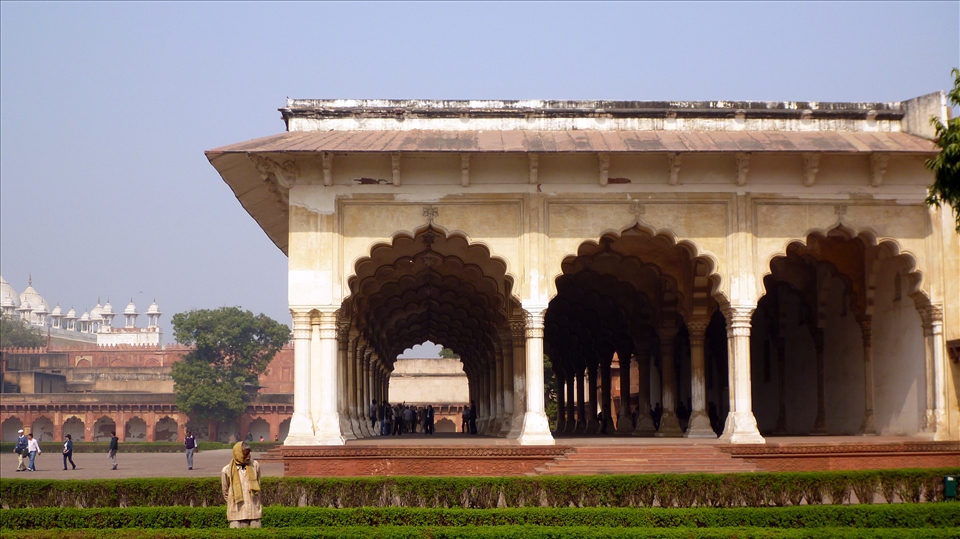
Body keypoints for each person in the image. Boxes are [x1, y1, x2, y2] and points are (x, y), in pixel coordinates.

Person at [220, 441, 262, 528]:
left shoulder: (255, 465)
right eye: (246, 454)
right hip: (236, 513)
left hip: (253, 511)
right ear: (238, 453)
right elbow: (225, 491)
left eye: (249, 453)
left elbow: (258, 484)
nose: (249, 456)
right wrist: (233, 501)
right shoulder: (227, 470)